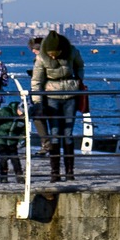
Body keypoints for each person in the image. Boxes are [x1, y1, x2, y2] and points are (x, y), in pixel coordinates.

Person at [31, 30, 84, 181]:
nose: (53, 56)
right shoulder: (41, 57)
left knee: (68, 133)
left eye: (56, 53)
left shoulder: (72, 52)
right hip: (51, 96)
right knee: (54, 132)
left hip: (71, 96)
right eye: (51, 54)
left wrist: (79, 80)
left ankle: (69, 171)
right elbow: (36, 81)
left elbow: (80, 65)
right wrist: (37, 102)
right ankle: (55, 172)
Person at [0, 100, 26, 183]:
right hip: (0, 138)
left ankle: (19, 176)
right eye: (21, 112)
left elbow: (22, 131)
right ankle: (3, 176)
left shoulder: (23, 119)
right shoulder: (5, 112)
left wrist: (22, 140)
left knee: (15, 158)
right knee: (4, 157)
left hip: (12, 140)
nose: (22, 114)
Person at [26, 36, 52, 155]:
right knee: (50, 119)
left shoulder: (40, 60)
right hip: (50, 92)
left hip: (44, 92)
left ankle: (46, 144)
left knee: (38, 117)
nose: (33, 51)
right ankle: (50, 144)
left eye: (35, 49)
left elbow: (40, 77)